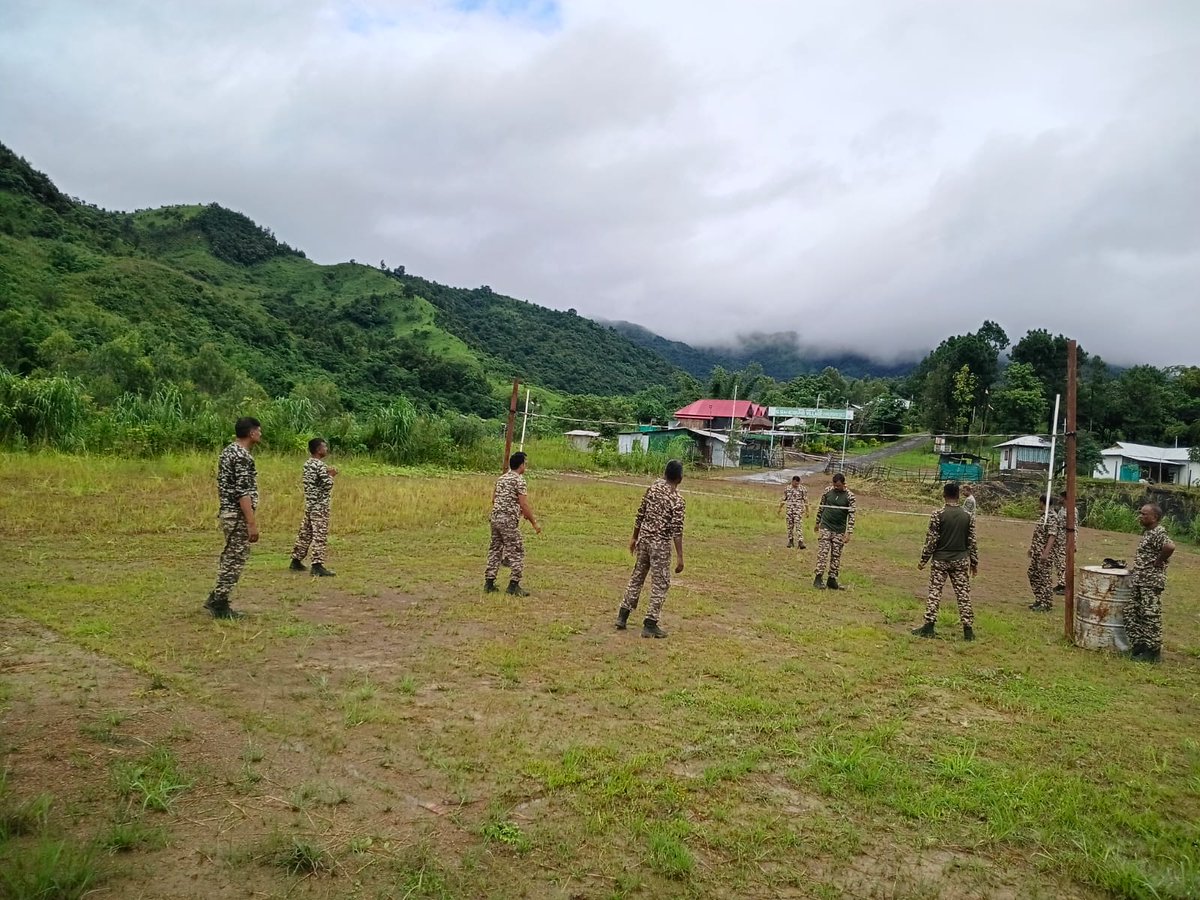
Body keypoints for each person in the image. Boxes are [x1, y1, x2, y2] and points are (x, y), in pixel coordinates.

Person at [614, 459, 686, 638]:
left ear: (664, 473)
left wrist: (634, 537)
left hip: (644, 541)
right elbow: (677, 531)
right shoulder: (677, 500)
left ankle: (623, 615)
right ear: (680, 478)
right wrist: (680, 557)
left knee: (637, 577)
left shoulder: (652, 489)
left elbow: (641, 513)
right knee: (660, 583)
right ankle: (650, 623)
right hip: (660, 545)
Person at [205, 417, 261, 620]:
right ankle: (220, 602)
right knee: (235, 558)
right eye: (258, 431)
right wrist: (251, 523)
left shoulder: (229, 451)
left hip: (229, 512)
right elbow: (243, 492)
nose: (260, 435)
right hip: (237, 515)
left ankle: (216, 596)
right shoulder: (242, 456)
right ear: (251, 433)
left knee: (231, 556)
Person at [912, 482, 979, 641]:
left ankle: (929, 626)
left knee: (935, 592)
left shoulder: (938, 514)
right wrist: (974, 562)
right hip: (961, 560)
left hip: (941, 560)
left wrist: (923, 560)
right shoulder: (967, 516)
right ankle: (968, 630)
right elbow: (972, 541)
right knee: (963, 594)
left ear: (944, 495)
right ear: (957, 495)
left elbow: (932, 540)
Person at [484, 451, 541, 595]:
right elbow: (524, 504)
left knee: (495, 549)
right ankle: (514, 585)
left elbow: (494, 500)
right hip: (508, 520)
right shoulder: (519, 480)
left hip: (496, 518)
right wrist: (534, 522)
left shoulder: (501, 479)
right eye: (525, 463)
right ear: (521, 465)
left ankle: (489, 582)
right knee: (517, 551)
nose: (526, 466)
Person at [1127, 504, 1175, 663]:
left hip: (1150, 581)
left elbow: (1169, 546)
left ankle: (1153, 651)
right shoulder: (1149, 532)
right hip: (1141, 580)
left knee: (1150, 615)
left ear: (1154, 517)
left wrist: (1158, 562)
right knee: (1133, 612)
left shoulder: (1158, 532)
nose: (1140, 516)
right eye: (1140, 513)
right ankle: (1140, 646)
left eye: (1144, 514)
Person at [289, 437, 338, 576]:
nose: (326, 449)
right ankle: (317, 565)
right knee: (319, 535)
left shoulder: (307, 464)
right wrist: (331, 476)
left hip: (310, 504)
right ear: (318, 449)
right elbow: (327, 485)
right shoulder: (320, 465)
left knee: (305, 533)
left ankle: (296, 560)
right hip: (319, 506)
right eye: (324, 447)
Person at [813, 473, 855, 590]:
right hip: (826, 527)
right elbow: (821, 507)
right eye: (834, 485)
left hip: (839, 530)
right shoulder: (827, 492)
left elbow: (852, 516)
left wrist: (849, 533)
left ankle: (832, 579)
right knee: (823, 553)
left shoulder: (850, 496)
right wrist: (817, 522)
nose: (836, 487)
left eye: (838, 485)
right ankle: (818, 577)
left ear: (843, 484)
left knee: (836, 555)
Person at [1027, 495, 1060, 612]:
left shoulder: (1051, 516)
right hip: (1037, 551)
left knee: (1044, 577)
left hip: (1044, 553)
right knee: (1032, 574)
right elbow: (1039, 534)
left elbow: (1052, 535)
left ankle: (1046, 604)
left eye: (1039, 502)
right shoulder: (1044, 516)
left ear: (1042, 502)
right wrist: (1032, 548)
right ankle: (1040, 599)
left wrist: (1045, 553)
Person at [1054, 490, 1079, 594]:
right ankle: (1061, 583)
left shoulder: (1072, 510)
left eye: (1061, 497)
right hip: (1059, 540)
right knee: (1059, 563)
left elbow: (1074, 528)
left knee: (1065, 563)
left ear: (1065, 498)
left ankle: (1065, 586)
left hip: (1067, 540)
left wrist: (1073, 542)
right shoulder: (1062, 510)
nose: (1059, 499)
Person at [778, 475, 808, 549]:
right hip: (789, 511)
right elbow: (784, 499)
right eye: (795, 483)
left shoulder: (802, 489)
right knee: (789, 526)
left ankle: (800, 542)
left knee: (798, 526)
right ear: (792, 481)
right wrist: (780, 508)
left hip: (798, 511)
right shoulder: (787, 488)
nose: (796, 485)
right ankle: (790, 541)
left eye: (798, 483)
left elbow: (806, 500)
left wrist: (807, 510)